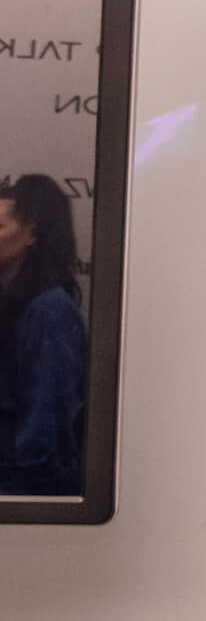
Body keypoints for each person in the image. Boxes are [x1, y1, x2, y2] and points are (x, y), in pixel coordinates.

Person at [0, 172, 87, 495]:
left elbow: (42, 441)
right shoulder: (14, 305)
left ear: (31, 235)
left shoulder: (49, 312)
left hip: (25, 501)